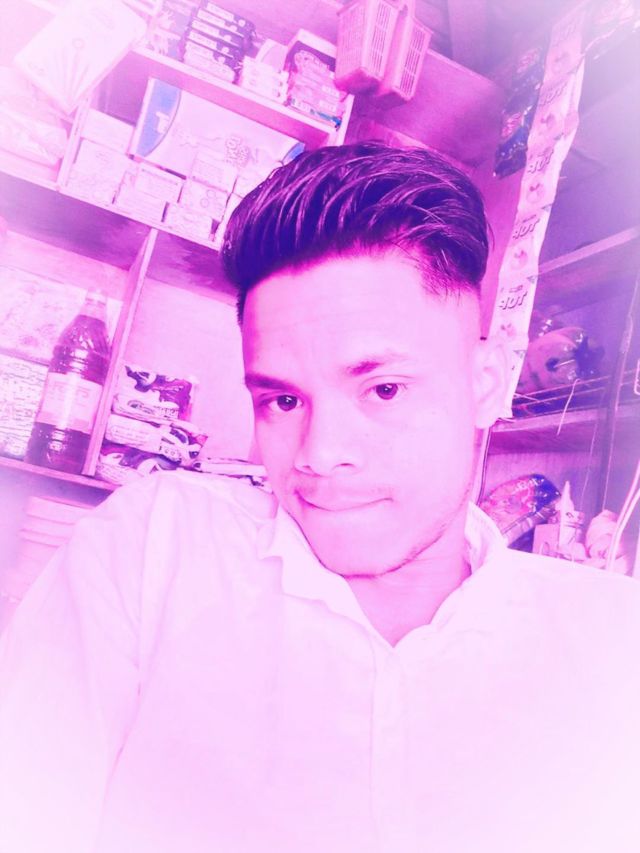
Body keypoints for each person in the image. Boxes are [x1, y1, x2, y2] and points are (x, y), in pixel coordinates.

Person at [1, 142, 639, 853]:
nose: (318, 453)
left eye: (383, 389)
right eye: (282, 399)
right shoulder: (154, 550)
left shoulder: (611, 646)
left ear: (486, 383)